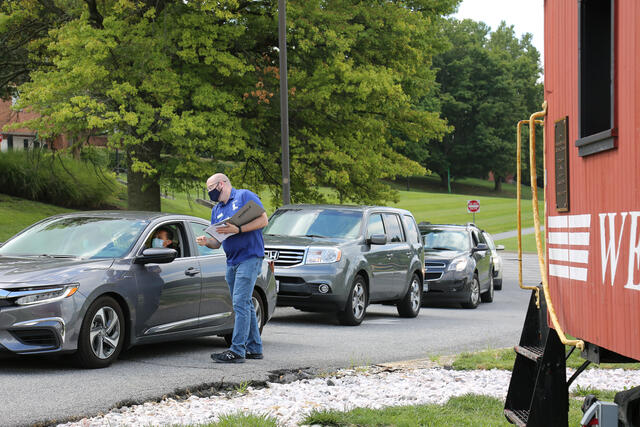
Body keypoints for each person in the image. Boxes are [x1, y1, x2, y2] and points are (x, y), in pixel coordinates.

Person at [196, 173, 269, 363]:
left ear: (221, 184)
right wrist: (206, 242)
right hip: (231, 261)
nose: (210, 193)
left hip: (250, 257)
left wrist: (239, 229)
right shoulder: (217, 209)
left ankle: (237, 350)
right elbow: (216, 243)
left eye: (211, 189)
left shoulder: (244, 196)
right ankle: (254, 348)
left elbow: (263, 220)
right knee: (244, 304)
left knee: (240, 302)